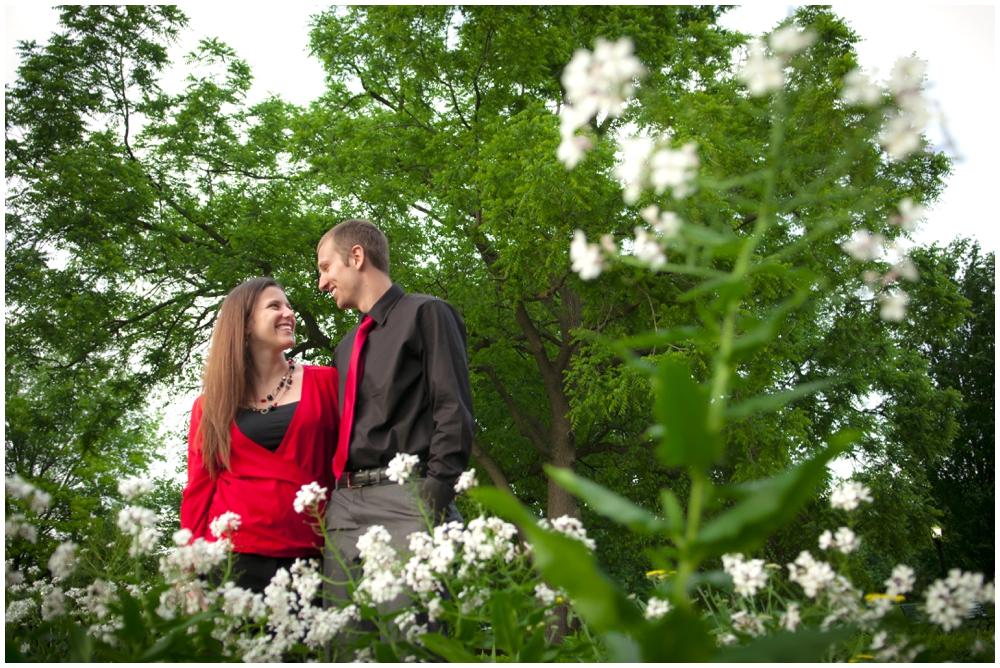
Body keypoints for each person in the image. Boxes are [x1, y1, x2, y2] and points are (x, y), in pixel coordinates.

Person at [316, 218, 473, 608]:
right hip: (344, 510)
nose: (322, 282)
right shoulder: (345, 347)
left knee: (412, 646)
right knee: (344, 647)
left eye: (325, 268)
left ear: (357, 257)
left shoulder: (428, 314)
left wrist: (430, 499)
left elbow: (453, 412)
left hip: (409, 500)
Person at [180, 277, 339, 593]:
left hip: (310, 557)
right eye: (274, 306)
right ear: (246, 325)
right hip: (228, 559)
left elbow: (348, 460)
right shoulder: (210, 405)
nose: (288, 313)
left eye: (289, 305)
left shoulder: (327, 382)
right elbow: (199, 488)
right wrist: (189, 573)